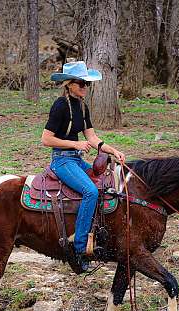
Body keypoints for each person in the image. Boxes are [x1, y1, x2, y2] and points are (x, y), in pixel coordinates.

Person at [41, 61, 126, 272]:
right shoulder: (60, 106)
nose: (84, 87)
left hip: (76, 158)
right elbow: (46, 139)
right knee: (90, 191)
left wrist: (113, 150)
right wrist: (75, 144)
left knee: (106, 183)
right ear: (69, 84)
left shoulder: (82, 106)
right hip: (62, 160)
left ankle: (98, 232)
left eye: (86, 83)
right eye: (80, 83)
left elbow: (91, 137)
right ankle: (79, 249)